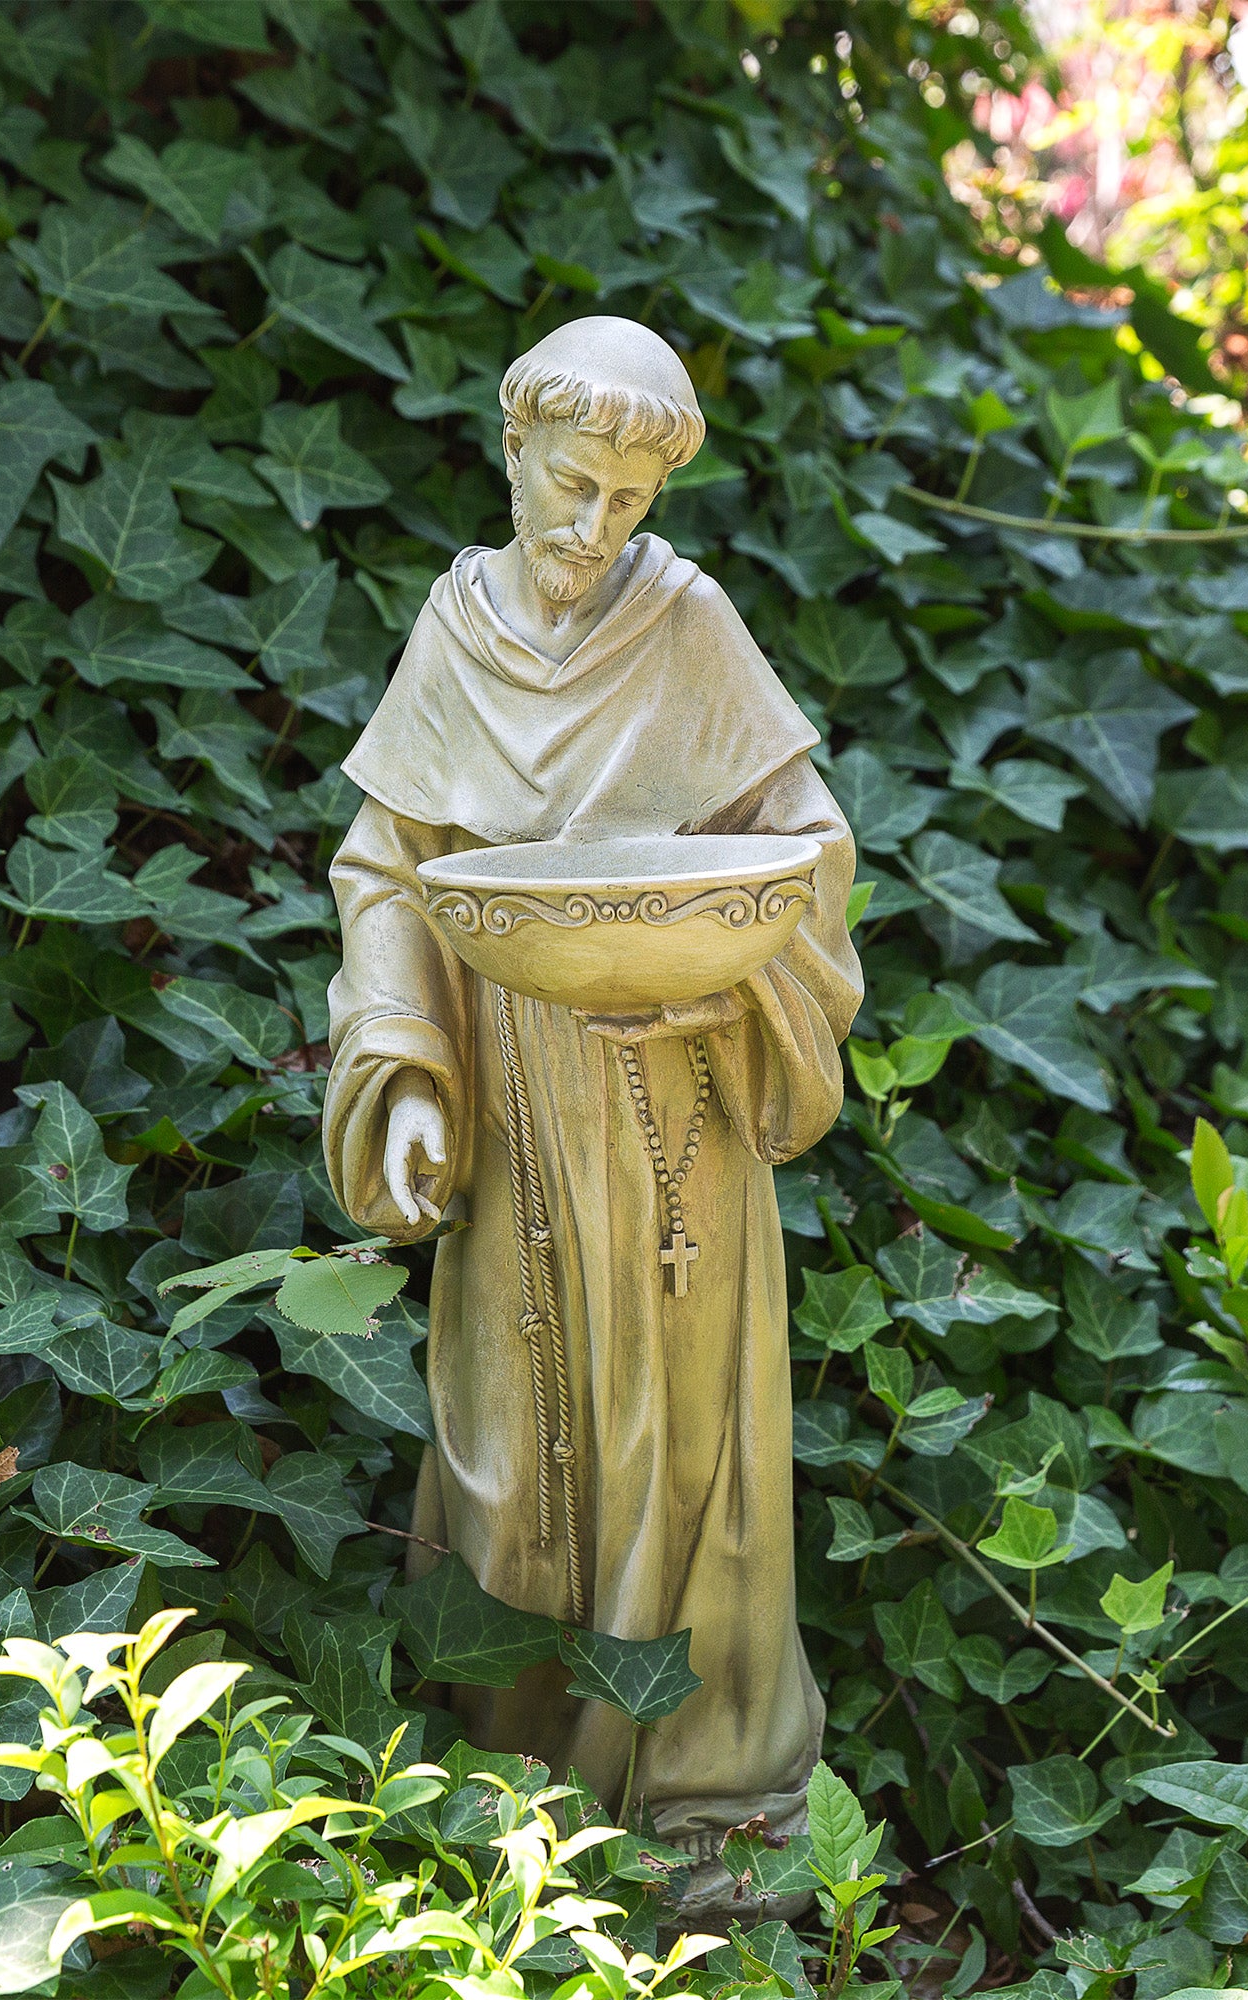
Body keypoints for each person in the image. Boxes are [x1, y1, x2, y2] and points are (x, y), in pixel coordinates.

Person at [321, 316, 862, 1894]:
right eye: (572, 485)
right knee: (511, 1453)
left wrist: (731, 975)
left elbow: (807, 845)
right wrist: (407, 1071)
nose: (594, 526)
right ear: (514, 452)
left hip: (678, 1110)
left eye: (629, 501)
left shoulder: (687, 622)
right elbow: (387, 869)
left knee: (685, 1455)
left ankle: (704, 1793)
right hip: (508, 1113)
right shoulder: (454, 632)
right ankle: (508, 1788)